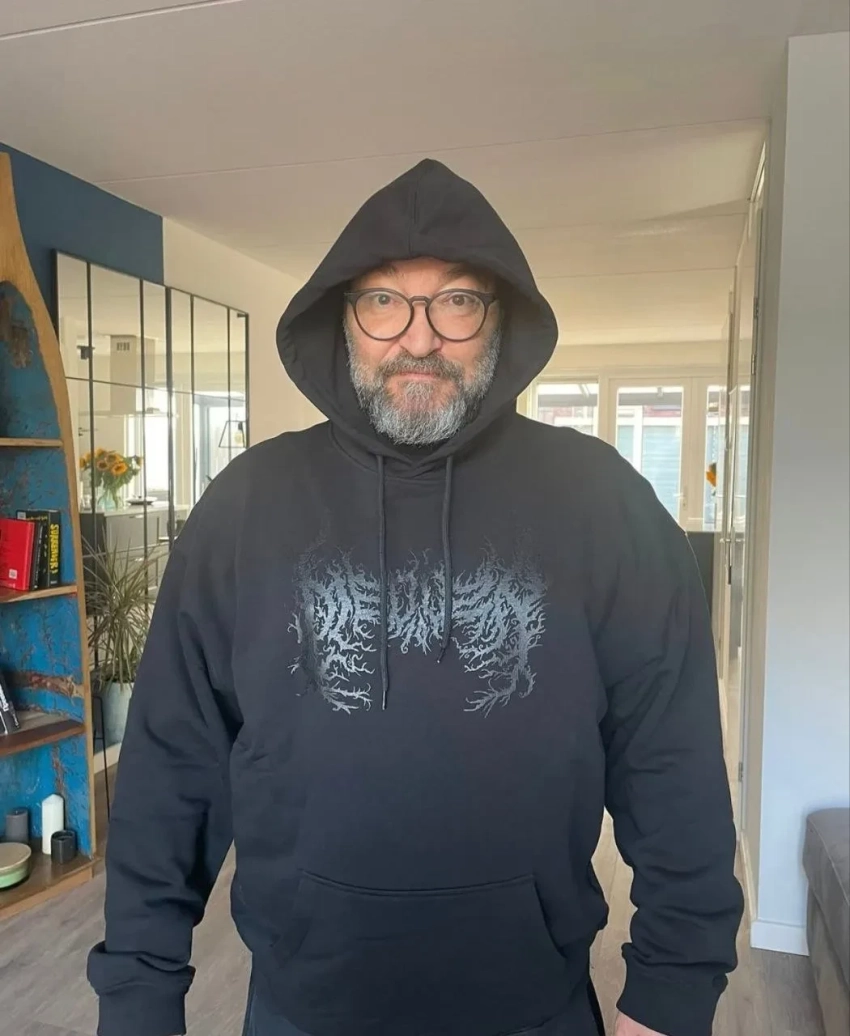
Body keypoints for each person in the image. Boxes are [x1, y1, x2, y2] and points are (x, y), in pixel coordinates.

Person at [88, 159, 743, 1036]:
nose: (420, 337)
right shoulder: (249, 503)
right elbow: (173, 761)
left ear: (498, 320)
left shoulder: (602, 499)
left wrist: (672, 993)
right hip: (301, 1007)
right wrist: (138, 997)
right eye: (384, 301)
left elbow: (671, 755)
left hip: (531, 1005)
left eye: (457, 301)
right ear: (344, 320)